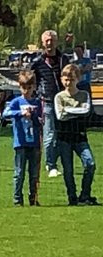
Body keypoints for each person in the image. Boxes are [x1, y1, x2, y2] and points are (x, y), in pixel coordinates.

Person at [54, 64, 98, 206]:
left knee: (90, 164)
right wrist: (75, 110)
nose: (68, 83)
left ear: (78, 79)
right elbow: (60, 116)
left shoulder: (83, 95)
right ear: (61, 80)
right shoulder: (59, 97)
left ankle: (85, 194)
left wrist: (69, 110)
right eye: (65, 79)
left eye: (71, 80)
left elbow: (86, 111)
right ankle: (72, 197)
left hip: (80, 136)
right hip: (64, 137)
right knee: (68, 170)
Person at [31, 30, 72, 178]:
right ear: (43, 42)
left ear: (56, 41)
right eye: (47, 40)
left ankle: (64, 162)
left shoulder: (63, 59)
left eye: (52, 40)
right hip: (46, 101)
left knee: (63, 133)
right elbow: (29, 79)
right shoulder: (37, 62)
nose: (50, 43)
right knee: (49, 134)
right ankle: (51, 165)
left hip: (63, 101)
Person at [3, 70, 44, 207]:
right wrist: (21, 113)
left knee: (34, 173)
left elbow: (41, 120)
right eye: (23, 87)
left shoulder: (37, 102)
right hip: (20, 142)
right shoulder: (16, 101)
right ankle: (17, 199)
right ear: (20, 87)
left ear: (34, 87)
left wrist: (34, 116)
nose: (26, 90)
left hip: (35, 143)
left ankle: (33, 198)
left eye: (29, 87)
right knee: (19, 172)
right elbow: (6, 113)